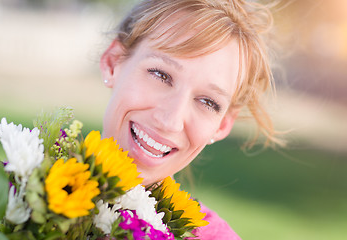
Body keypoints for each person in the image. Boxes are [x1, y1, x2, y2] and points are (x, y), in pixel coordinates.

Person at [100, 0, 279, 239]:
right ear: (113, 63)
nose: (170, 121)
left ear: (223, 124)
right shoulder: (34, 178)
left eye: (208, 102)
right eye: (160, 75)